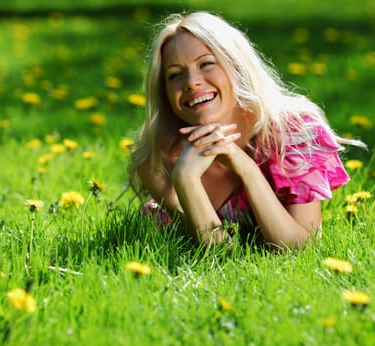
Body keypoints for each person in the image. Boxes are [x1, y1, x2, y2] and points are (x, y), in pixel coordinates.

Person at [128, 11, 364, 249]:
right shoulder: (157, 160)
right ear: (164, 92)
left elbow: (300, 248)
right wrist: (186, 179)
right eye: (175, 75)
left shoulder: (294, 135)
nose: (191, 82)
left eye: (206, 63)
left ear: (236, 66)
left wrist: (247, 169)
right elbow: (217, 255)